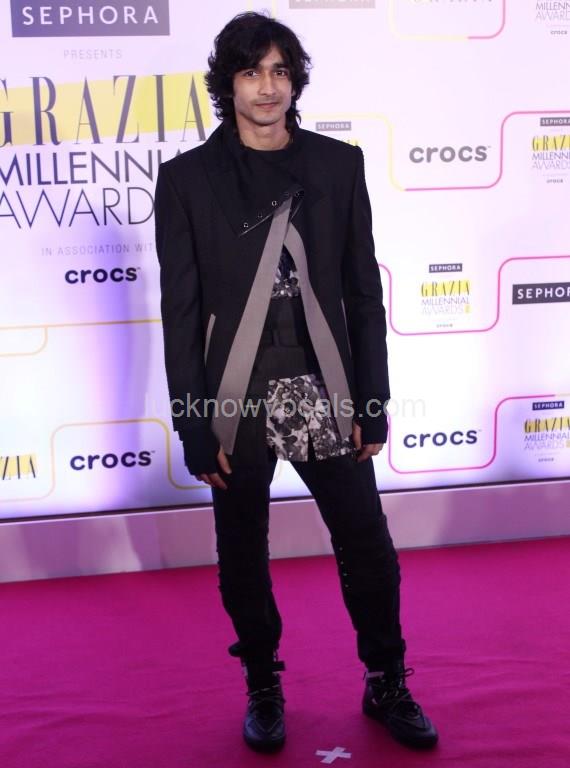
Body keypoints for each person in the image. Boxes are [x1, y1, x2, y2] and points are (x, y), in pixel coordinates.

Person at [154, 11, 438, 753]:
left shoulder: (337, 166)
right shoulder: (187, 181)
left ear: (295, 81)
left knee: (366, 542)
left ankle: (386, 680)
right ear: (228, 84)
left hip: (324, 386)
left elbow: (363, 293)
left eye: (280, 71)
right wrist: (192, 423)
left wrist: (372, 401)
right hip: (234, 396)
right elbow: (180, 314)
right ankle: (263, 684)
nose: (267, 87)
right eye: (252, 72)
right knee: (242, 550)